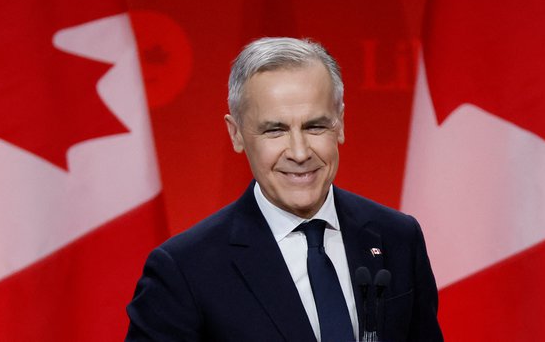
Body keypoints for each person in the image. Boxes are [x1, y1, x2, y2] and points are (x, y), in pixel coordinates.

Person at [125, 37, 443, 341]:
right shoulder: (185, 269)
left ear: (341, 123)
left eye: (315, 126)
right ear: (236, 134)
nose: (300, 152)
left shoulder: (398, 237)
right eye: (275, 130)